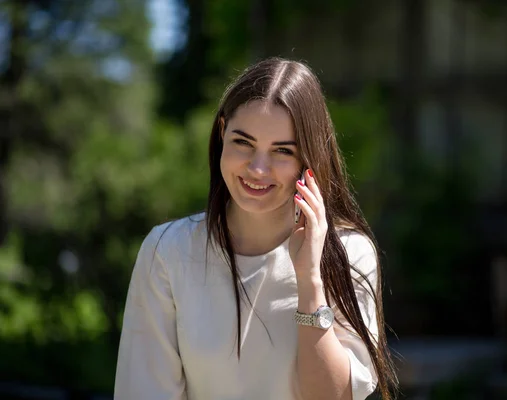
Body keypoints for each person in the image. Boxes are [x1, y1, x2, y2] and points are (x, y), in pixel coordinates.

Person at [114, 57, 398, 400]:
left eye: (282, 151)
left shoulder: (350, 254)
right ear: (222, 134)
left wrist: (310, 278)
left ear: (309, 160)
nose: (257, 169)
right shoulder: (168, 251)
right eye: (243, 143)